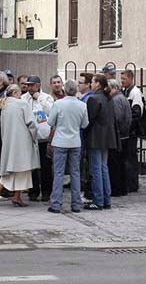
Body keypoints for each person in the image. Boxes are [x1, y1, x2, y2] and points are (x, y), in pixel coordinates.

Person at [0, 84, 40, 207]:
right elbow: (31, 123)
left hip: (9, 141)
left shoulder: (4, 105)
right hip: (22, 141)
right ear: (16, 93)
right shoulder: (22, 104)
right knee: (23, 170)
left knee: (9, 170)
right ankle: (17, 197)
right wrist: (34, 137)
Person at [47, 79, 89, 214]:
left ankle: (56, 204)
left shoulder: (58, 104)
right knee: (75, 173)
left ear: (65, 89)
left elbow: (50, 121)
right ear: (76, 90)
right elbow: (84, 124)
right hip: (75, 142)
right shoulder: (82, 105)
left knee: (58, 173)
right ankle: (76, 204)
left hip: (60, 141)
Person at [84, 74, 117, 211]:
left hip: (96, 137)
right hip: (107, 137)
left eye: (92, 82)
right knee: (103, 168)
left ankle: (98, 200)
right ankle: (106, 199)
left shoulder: (94, 98)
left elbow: (89, 120)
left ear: (97, 84)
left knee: (96, 169)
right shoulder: (108, 99)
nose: (91, 84)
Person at [22, 75, 54, 202]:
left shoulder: (46, 98)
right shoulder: (24, 98)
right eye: (28, 85)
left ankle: (46, 191)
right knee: (32, 166)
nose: (29, 87)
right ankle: (33, 191)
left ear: (38, 85)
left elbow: (51, 112)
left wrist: (39, 99)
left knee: (45, 166)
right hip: (30, 137)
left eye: (32, 85)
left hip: (43, 137)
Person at [120, 69, 144, 193]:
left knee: (131, 158)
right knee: (126, 158)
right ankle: (127, 181)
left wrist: (128, 127)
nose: (122, 81)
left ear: (130, 78)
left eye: (124, 79)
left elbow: (136, 113)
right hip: (126, 131)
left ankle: (132, 183)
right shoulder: (125, 91)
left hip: (131, 131)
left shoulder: (135, 93)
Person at [108, 79, 132, 197]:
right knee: (121, 164)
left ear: (115, 88)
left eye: (109, 88)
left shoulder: (116, 100)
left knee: (116, 164)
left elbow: (117, 118)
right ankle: (122, 188)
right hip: (124, 135)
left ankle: (117, 188)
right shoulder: (122, 98)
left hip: (120, 136)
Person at [78, 72, 95, 202]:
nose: (79, 85)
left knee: (86, 165)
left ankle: (88, 192)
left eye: (81, 82)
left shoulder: (89, 99)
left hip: (85, 137)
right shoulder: (83, 98)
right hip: (82, 136)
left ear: (88, 85)